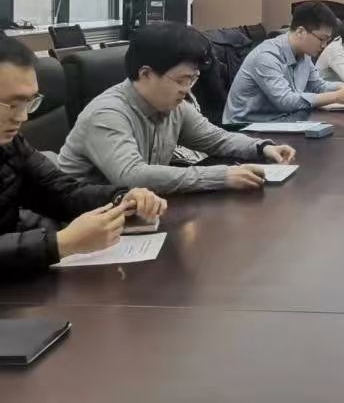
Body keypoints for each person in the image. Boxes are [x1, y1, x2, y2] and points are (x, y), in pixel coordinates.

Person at [58, 23, 296, 194]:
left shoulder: (173, 105)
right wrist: (221, 176)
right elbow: (132, 176)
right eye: (181, 80)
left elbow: (216, 139)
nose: (187, 89)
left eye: (192, 79)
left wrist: (261, 147)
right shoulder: (107, 114)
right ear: (146, 74)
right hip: (82, 225)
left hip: (138, 213)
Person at [0, 37, 166, 280]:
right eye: (11, 105)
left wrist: (120, 199)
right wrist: (61, 243)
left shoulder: (10, 144)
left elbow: (60, 191)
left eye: (28, 102)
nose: (22, 117)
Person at [224, 1, 344, 123]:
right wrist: (336, 97)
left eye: (327, 40)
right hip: (244, 127)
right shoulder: (266, 56)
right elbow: (285, 101)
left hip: (279, 120)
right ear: (301, 31)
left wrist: (341, 88)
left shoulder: (304, 54)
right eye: (322, 39)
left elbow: (317, 86)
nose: (324, 45)